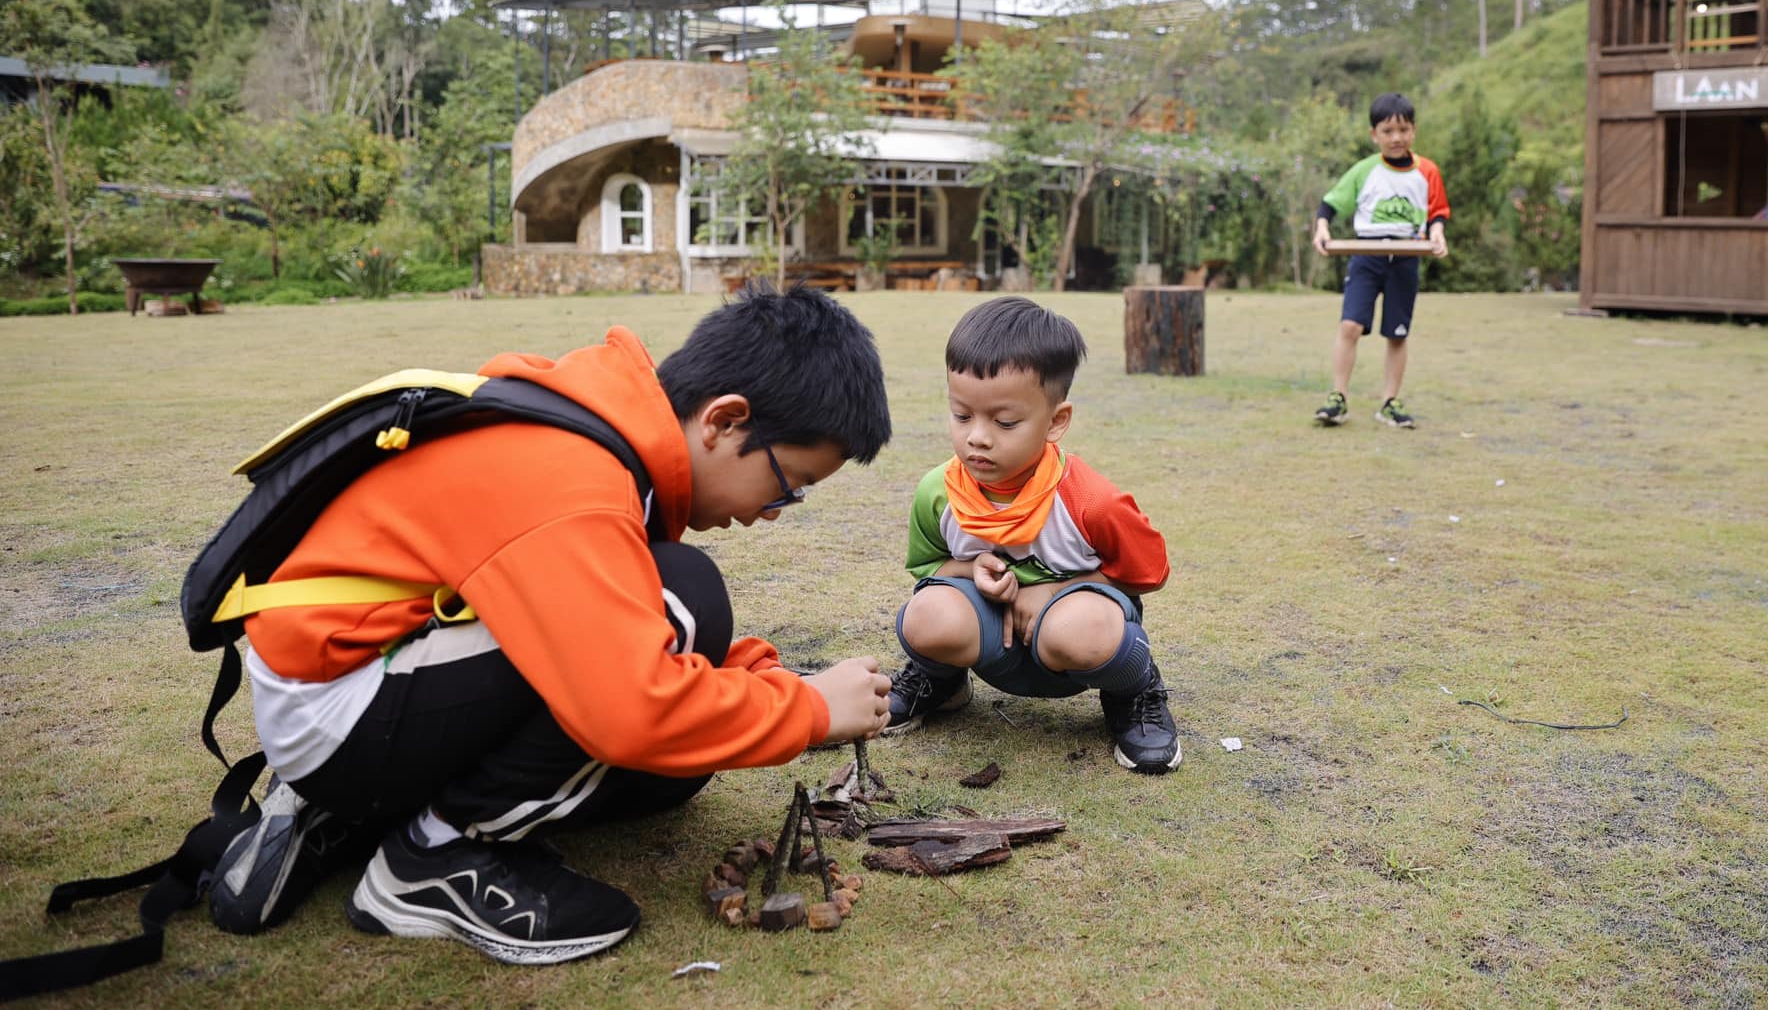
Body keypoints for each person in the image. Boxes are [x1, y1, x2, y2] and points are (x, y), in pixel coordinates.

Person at [206, 282, 895, 965]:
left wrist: (768, 680)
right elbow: (628, 706)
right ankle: (433, 860)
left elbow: (600, 614)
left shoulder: (596, 430)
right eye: (787, 482)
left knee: (674, 766)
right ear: (723, 421)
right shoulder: (575, 478)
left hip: (368, 675)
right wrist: (805, 708)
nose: (777, 508)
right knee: (687, 595)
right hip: (344, 712)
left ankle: (358, 809)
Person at [882, 297, 1181, 774]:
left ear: (1056, 421)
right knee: (926, 615)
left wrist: (1051, 591)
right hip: (990, 638)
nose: (977, 437)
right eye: (962, 415)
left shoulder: (1091, 502)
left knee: (1078, 630)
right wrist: (971, 570)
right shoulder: (938, 493)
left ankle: (1133, 689)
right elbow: (930, 567)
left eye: (1004, 423)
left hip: (1076, 639)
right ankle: (941, 683)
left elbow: (1150, 574)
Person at [1309, 92, 1450, 428]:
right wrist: (1322, 229)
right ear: (1374, 134)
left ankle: (1389, 402)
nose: (1396, 138)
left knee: (1397, 333)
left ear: (1413, 130)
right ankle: (1338, 397)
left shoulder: (1427, 171)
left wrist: (1437, 233)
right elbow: (1329, 206)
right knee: (1350, 325)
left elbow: (1437, 213)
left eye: (1403, 130)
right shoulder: (1364, 170)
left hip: (1407, 257)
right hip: (1366, 257)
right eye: (1387, 131)